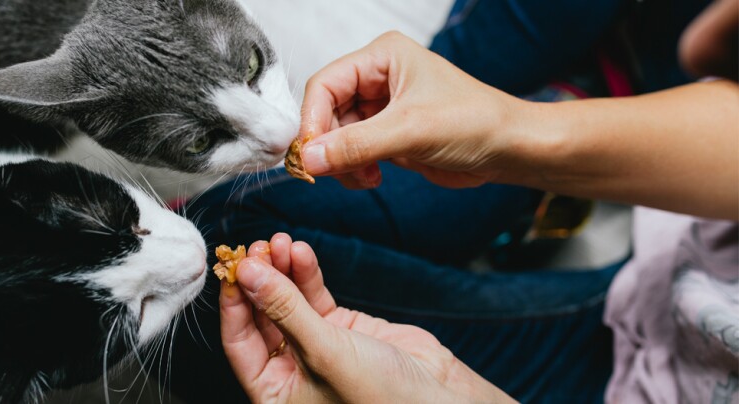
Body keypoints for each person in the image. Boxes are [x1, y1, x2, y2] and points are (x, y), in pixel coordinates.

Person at [215, 0, 738, 402]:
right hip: (689, 244)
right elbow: (707, 50)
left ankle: (569, 96)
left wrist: (456, 391)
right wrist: (511, 132)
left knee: (224, 258)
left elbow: (706, 49)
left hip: (627, 370)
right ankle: (569, 101)